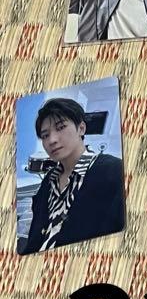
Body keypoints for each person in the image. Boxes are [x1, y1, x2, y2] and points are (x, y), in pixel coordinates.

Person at [20, 97, 125, 254]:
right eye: (45, 135)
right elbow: (36, 234)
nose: (52, 140)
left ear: (81, 128)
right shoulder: (49, 179)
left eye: (61, 127)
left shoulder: (114, 172)